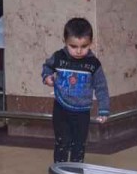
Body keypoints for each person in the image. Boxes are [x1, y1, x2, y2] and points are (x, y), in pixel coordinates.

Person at [42, 18, 110, 163]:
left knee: (79, 143)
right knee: (62, 141)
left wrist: (103, 109)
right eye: (73, 46)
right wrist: (47, 76)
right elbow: (47, 66)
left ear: (91, 42)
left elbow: (101, 87)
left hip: (82, 111)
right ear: (65, 41)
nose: (79, 51)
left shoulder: (93, 64)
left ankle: (75, 172)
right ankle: (60, 173)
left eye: (84, 46)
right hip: (61, 108)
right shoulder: (58, 57)